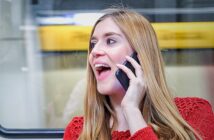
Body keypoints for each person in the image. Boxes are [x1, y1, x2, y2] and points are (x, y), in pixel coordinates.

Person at [63, 8, 214, 140]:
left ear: (140, 56)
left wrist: (132, 110)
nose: (94, 52)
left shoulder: (193, 113)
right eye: (93, 44)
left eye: (110, 41)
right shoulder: (78, 132)